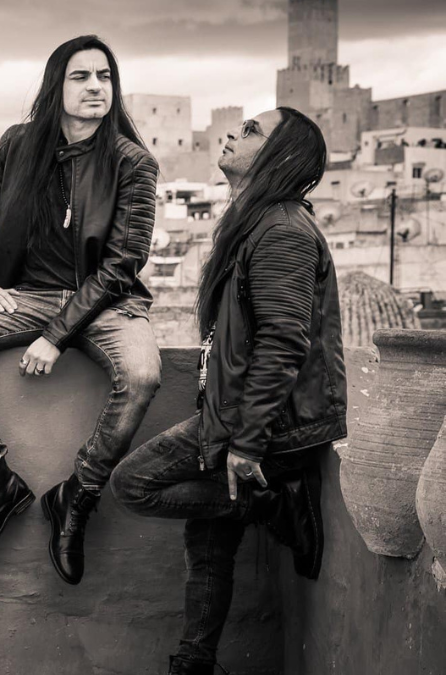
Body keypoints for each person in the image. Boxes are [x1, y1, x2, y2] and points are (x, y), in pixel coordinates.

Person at [109, 107, 345, 675]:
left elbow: (283, 345)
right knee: (209, 547)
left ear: (281, 156)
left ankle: (274, 503)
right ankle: (195, 664)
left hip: (265, 424)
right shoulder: (256, 223)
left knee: (132, 483)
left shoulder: (283, 231)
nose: (234, 134)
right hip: (233, 411)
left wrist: (247, 444)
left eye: (252, 131)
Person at [0, 35, 161, 585]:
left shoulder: (133, 162)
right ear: (55, 86)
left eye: (104, 76)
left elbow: (123, 263)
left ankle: (77, 495)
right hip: (23, 296)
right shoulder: (17, 145)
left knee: (142, 374)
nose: (95, 86)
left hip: (106, 302)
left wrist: (55, 336)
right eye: (80, 76)